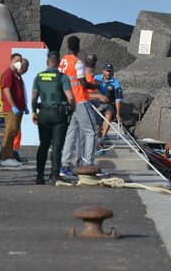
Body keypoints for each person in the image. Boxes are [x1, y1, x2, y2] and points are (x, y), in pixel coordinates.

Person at [59, 36, 105, 176]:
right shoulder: (77, 62)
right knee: (91, 131)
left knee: (71, 133)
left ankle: (65, 165)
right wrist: (97, 85)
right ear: (78, 47)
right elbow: (83, 83)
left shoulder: (63, 61)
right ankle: (89, 165)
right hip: (80, 99)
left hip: (68, 100)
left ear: (67, 46)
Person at [30, 52, 75, 183]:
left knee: (43, 145)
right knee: (57, 146)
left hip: (43, 114)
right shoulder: (62, 77)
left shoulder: (39, 77)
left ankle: (39, 176)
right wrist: (73, 107)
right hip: (58, 115)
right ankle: (55, 175)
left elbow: (34, 97)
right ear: (59, 63)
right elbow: (70, 97)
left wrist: (34, 112)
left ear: (47, 62)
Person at [0, 53, 28, 167]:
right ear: (11, 60)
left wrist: (23, 106)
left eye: (20, 61)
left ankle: (10, 156)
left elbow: (19, 91)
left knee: (14, 132)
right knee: (10, 132)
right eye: (16, 60)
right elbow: (7, 91)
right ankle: (6, 157)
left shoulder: (16, 75)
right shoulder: (8, 74)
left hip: (18, 108)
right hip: (11, 109)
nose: (19, 63)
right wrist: (13, 106)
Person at [94, 64, 123, 144]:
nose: (108, 73)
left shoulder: (115, 83)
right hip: (97, 104)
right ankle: (98, 136)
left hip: (109, 105)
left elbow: (118, 99)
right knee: (97, 126)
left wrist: (117, 114)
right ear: (103, 71)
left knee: (109, 115)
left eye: (110, 71)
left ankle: (102, 138)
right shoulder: (95, 78)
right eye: (107, 71)